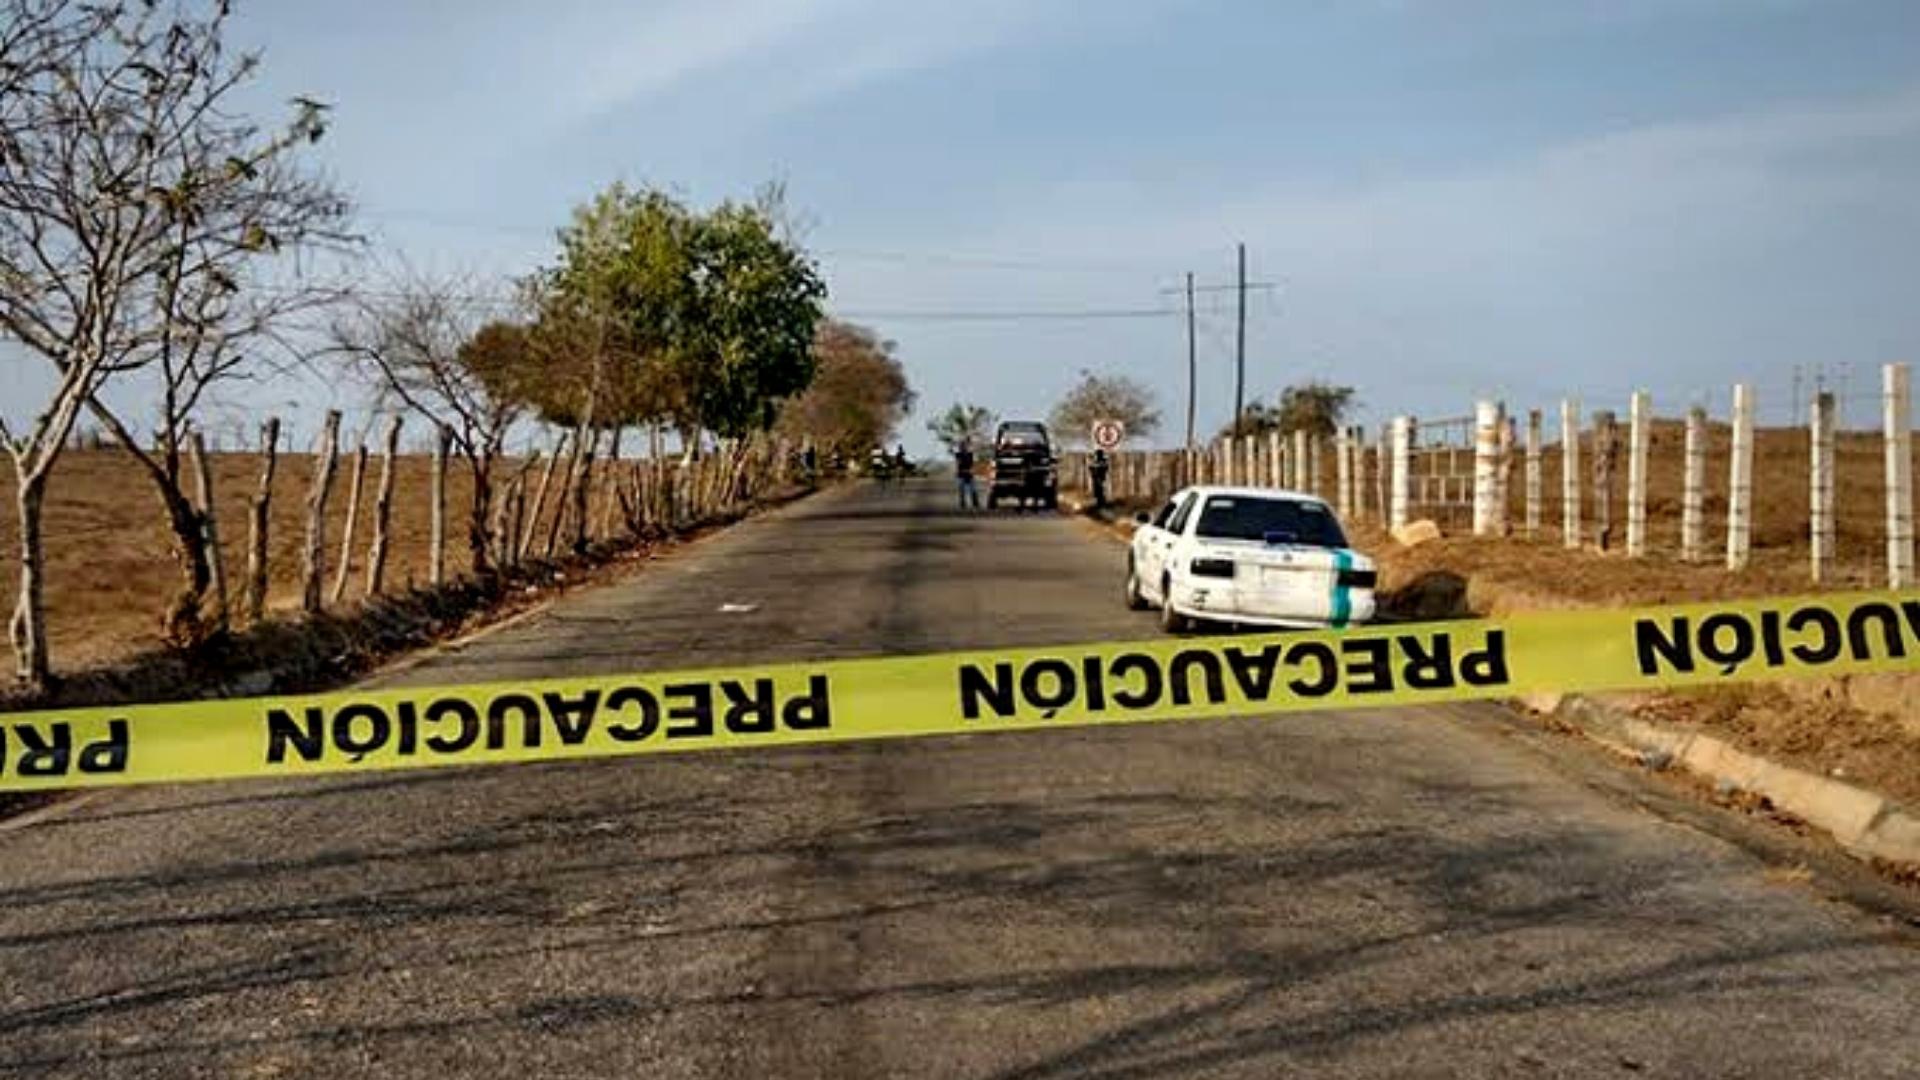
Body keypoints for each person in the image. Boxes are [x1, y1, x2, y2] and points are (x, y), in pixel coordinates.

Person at [954, 440, 980, 510]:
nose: (963, 448)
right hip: (961, 474)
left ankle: (975, 504)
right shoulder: (958, 455)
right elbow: (957, 464)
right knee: (962, 490)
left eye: (964, 446)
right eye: (961, 446)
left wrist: (972, 470)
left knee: (973, 490)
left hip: (969, 474)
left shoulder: (970, 454)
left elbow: (973, 464)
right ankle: (963, 504)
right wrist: (958, 471)